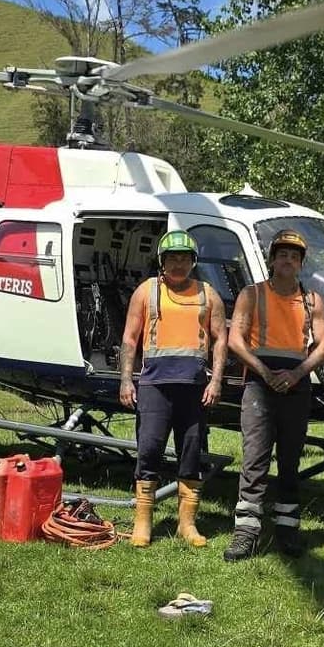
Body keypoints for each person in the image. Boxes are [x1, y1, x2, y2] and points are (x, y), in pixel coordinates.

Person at [224, 229, 324, 559]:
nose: (288, 260)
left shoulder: (312, 300)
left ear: (301, 264)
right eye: (282, 254)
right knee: (255, 459)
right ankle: (246, 533)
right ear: (272, 259)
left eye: (294, 256)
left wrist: (297, 374)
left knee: (289, 459)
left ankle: (287, 530)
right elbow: (235, 340)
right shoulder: (252, 294)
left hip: (297, 384)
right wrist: (264, 372)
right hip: (259, 384)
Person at [119, 230, 228, 548]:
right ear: (161, 262)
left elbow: (221, 339)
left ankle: (187, 524)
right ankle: (143, 523)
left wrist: (216, 380)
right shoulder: (146, 291)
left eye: (184, 258)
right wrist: (126, 379)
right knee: (149, 450)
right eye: (172, 258)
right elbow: (129, 338)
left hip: (194, 388)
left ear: (193, 262)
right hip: (154, 386)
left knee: (191, 453)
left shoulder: (208, 294)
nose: (178, 264)